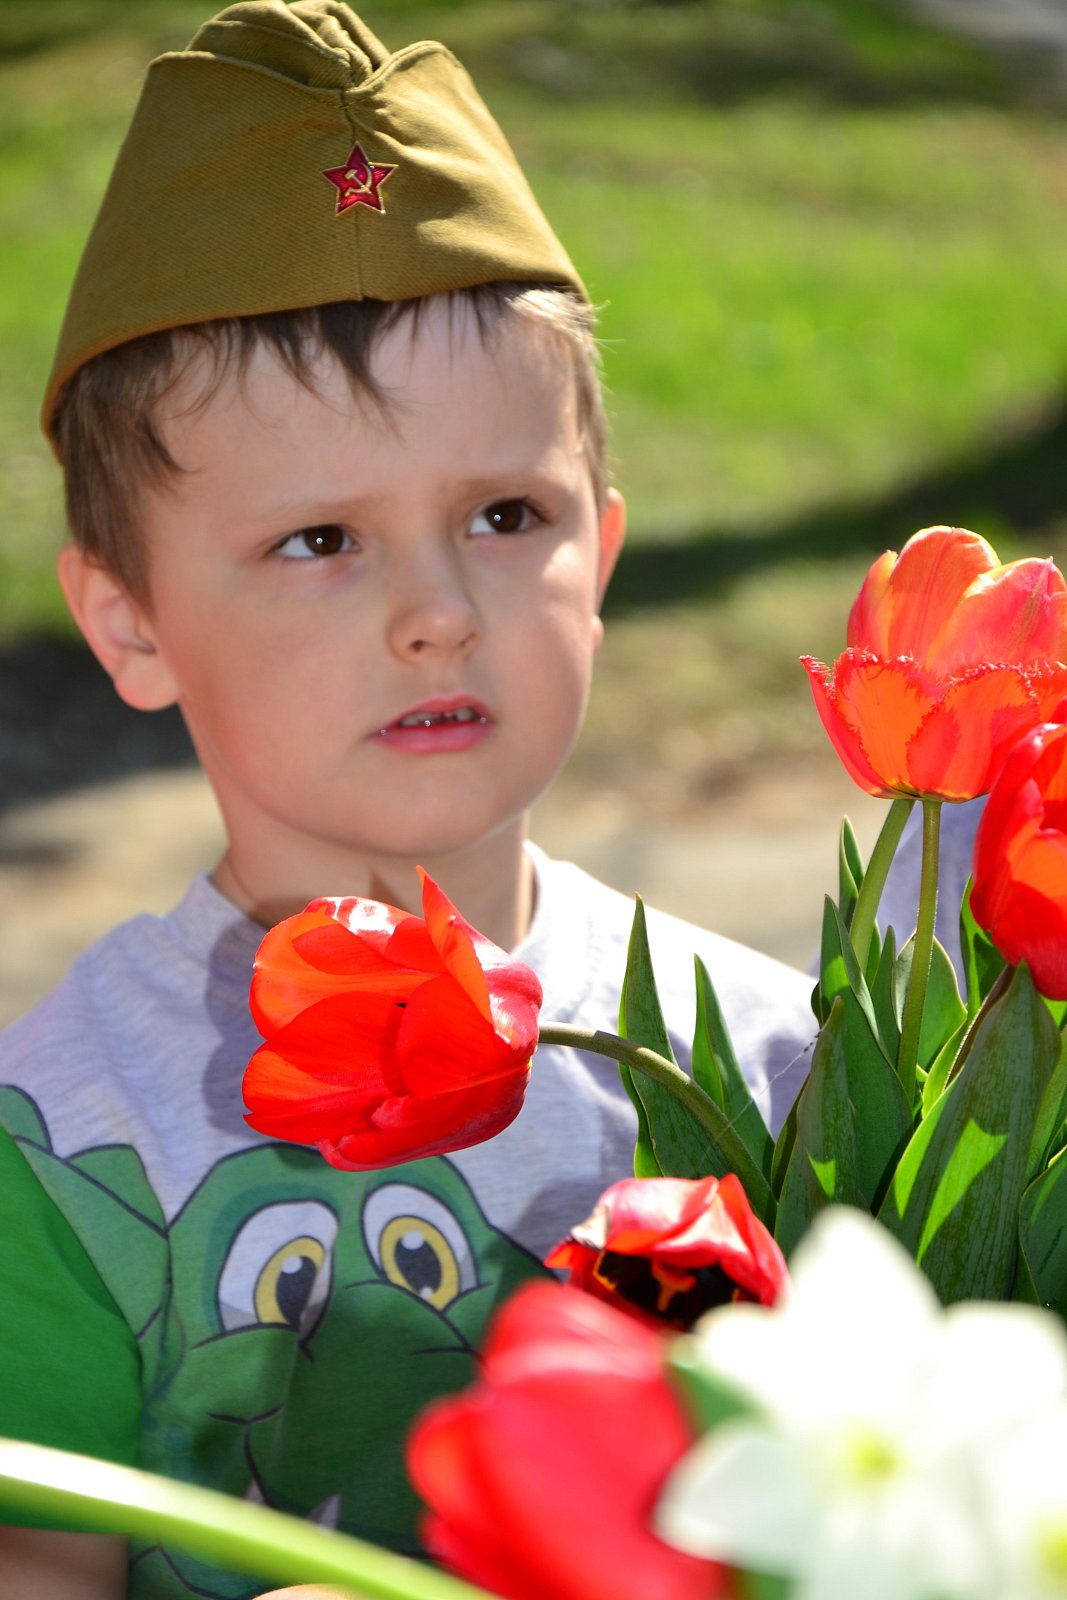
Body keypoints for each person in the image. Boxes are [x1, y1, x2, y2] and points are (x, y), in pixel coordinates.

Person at [0, 4, 817, 1596]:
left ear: (604, 555)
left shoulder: (779, 1069)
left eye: (507, 515)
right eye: (320, 541)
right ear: (131, 622)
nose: (439, 612)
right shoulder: (60, 1139)